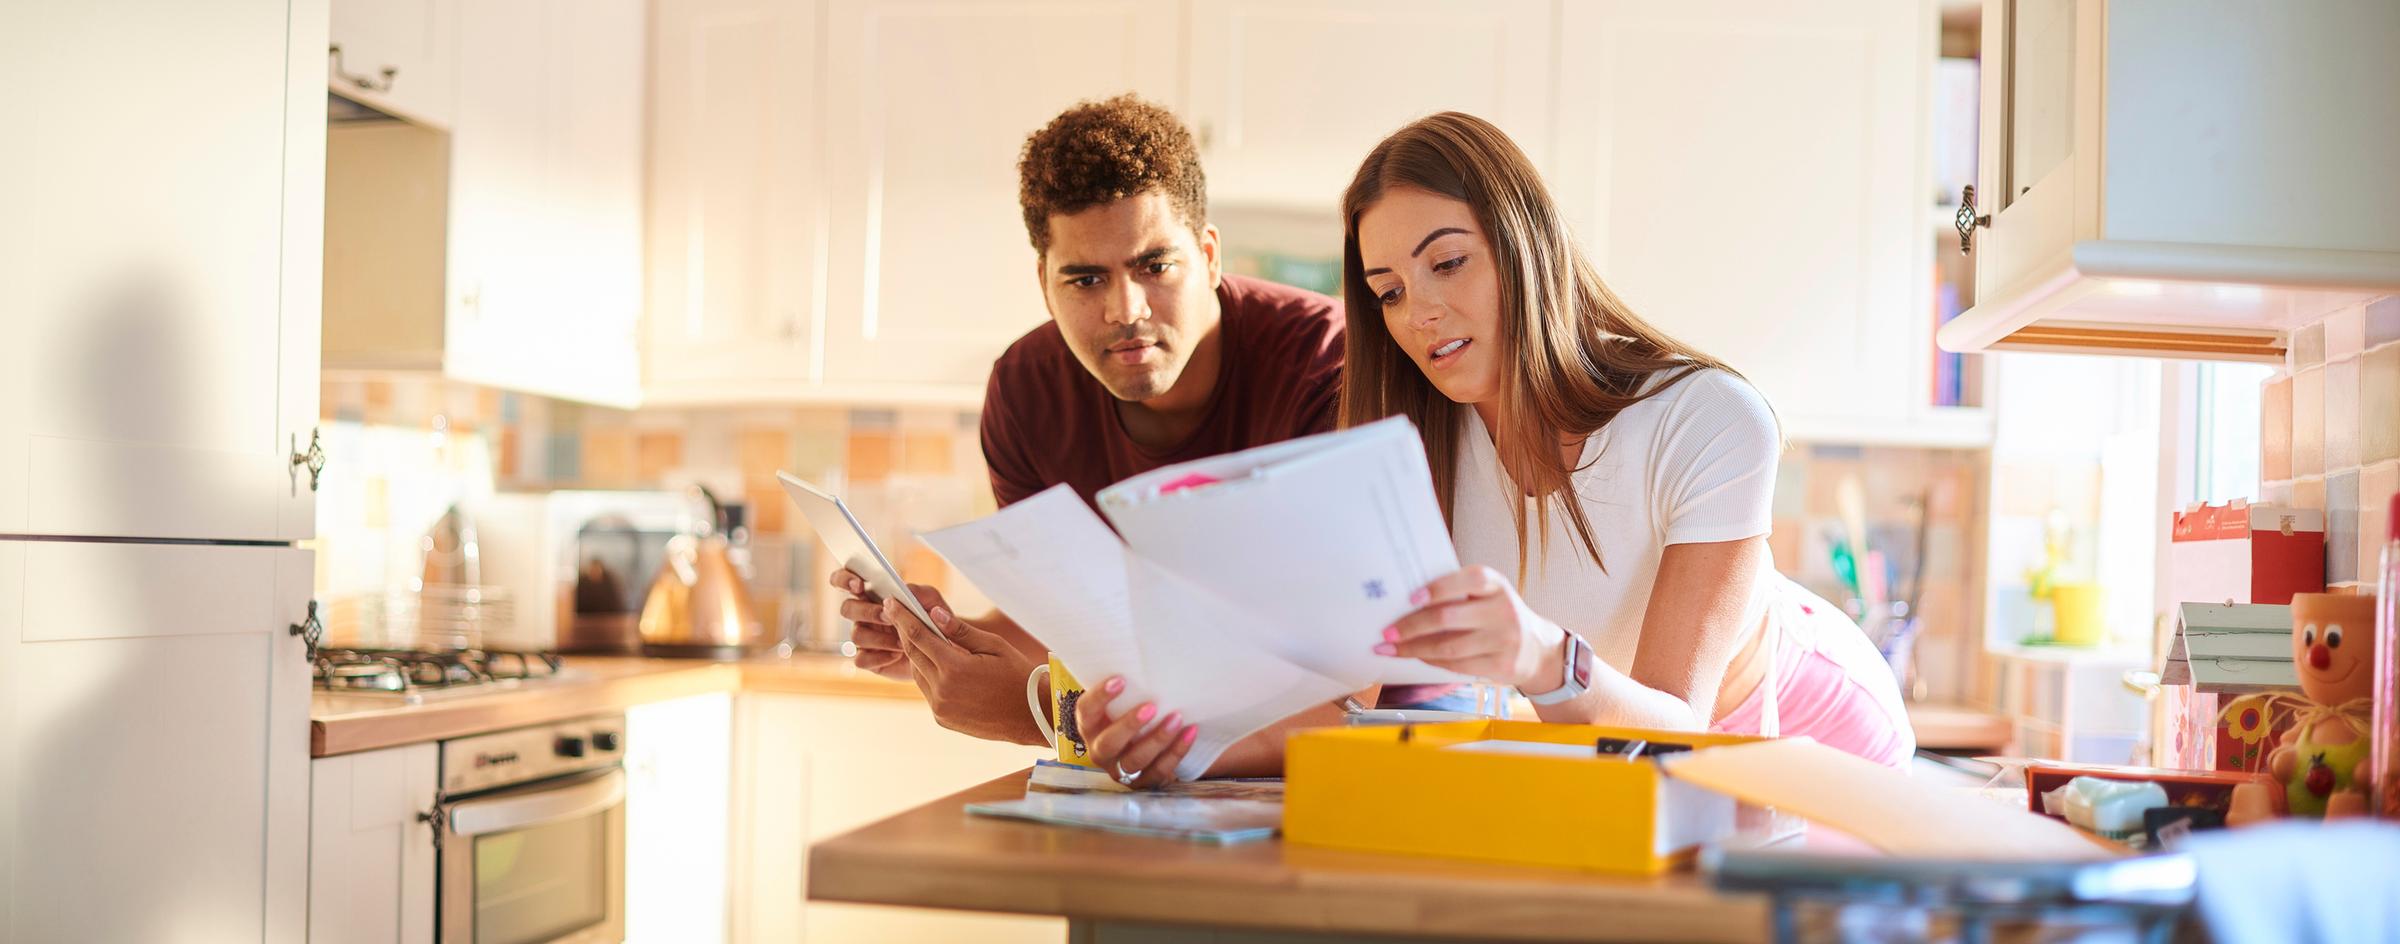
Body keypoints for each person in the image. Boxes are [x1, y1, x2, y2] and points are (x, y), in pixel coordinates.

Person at [830, 95, 1447, 786]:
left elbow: (1341, 689)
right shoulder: (1025, 392)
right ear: (1044, 284)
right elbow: (1078, 619)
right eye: (1085, 279)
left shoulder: (1330, 369)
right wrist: (938, 642)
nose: (1125, 310)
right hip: (1153, 779)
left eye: (1155, 266)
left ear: (1209, 256)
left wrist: (1038, 711)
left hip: (1351, 778)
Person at [1345, 112, 1915, 766]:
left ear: (1523, 245)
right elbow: (1344, 699)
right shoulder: (1408, 453)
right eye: (1388, 292)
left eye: (1447, 263)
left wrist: (1540, 653)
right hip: (1615, 738)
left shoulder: (1705, 420)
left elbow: (1676, 724)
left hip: (1811, 731)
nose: (1419, 313)